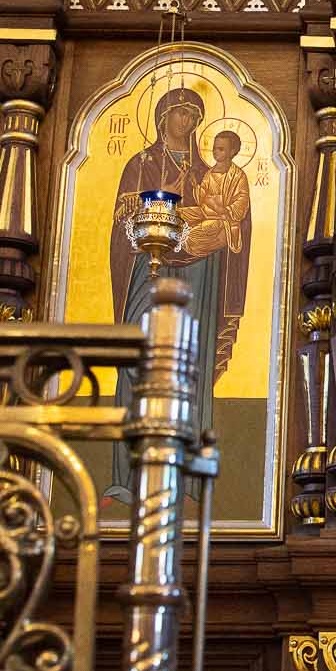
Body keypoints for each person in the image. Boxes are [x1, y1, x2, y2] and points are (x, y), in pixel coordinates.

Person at [105, 86, 230, 506]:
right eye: (181, 113)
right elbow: (122, 224)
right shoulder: (141, 164)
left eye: (194, 115)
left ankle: (186, 482)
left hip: (198, 268)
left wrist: (213, 226)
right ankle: (128, 479)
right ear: (162, 118)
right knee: (139, 355)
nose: (187, 121)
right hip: (148, 264)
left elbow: (230, 221)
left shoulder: (209, 174)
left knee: (190, 363)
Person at [177, 125, 254, 381]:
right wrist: (196, 189)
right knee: (180, 216)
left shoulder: (237, 176)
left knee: (196, 234)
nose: (216, 153)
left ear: (232, 152)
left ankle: (187, 243)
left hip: (225, 225)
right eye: (215, 148)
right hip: (208, 215)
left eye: (221, 149)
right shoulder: (210, 174)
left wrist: (219, 207)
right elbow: (203, 202)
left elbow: (238, 207)